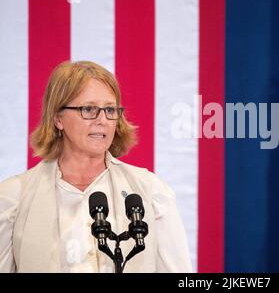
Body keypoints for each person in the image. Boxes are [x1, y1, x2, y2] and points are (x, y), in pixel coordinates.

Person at [0, 61, 192, 273]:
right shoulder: (14, 198)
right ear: (58, 119)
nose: (103, 120)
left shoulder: (151, 191)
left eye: (110, 109)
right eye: (89, 109)